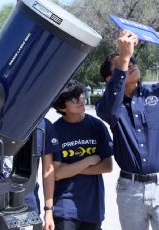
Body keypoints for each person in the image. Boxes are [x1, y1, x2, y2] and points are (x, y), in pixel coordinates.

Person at [96, 30, 159, 230]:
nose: (130, 62)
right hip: (130, 190)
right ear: (110, 79)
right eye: (123, 63)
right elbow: (110, 111)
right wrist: (122, 57)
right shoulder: (107, 105)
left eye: (132, 59)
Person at [43, 79, 113, 230]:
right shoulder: (55, 130)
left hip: (93, 207)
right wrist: (89, 160)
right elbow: (55, 174)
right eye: (74, 98)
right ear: (62, 107)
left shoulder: (97, 126)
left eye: (80, 95)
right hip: (64, 206)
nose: (80, 99)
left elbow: (108, 166)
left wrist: (69, 169)